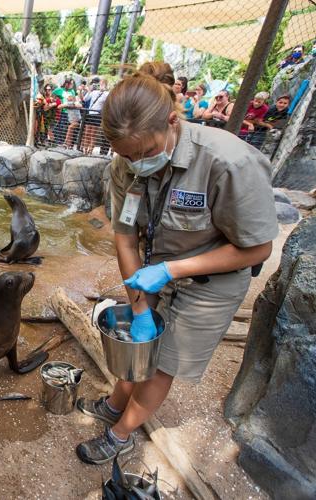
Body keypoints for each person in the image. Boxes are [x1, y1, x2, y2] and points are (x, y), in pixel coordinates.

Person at [75, 71, 278, 465]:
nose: (134, 164)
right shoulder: (126, 162)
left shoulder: (228, 161)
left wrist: (172, 271)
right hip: (153, 264)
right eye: (126, 156)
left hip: (211, 277)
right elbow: (125, 237)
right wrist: (138, 306)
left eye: (143, 152)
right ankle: (116, 403)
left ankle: (120, 435)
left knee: (162, 362)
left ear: (172, 121)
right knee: (138, 343)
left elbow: (257, 249)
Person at [82, 77, 109, 154]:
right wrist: (89, 91)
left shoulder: (107, 94)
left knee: (92, 134)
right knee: (87, 133)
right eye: (100, 84)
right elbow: (85, 99)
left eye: (103, 84)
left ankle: (90, 151)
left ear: (106, 85)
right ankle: (85, 150)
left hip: (97, 115)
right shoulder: (94, 92)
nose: (101, 85)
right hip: (90, 113)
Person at [52, 77, 77, 144]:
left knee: (67, 128)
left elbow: (74, 100)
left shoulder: (72, 91)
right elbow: (53, 93)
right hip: (63, 111)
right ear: (67, 84)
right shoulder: (60, 90)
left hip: (70, 112)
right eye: (71, 84)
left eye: (72, 84)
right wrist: (57, 100)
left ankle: (65, 142)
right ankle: (59, 141)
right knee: (61, 127)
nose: (72, 85)